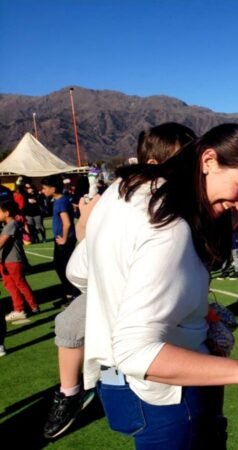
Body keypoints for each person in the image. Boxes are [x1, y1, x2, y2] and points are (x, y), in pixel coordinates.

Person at [66, 123, 238, 449]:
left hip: (118, 386)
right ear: (208, 161)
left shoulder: (120, 191)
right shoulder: (170, 226)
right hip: (169, 397)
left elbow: (78, 272)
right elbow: (136, 352)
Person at [43, 122, 198, 440]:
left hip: (142, 364)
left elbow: (78, 271)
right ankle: (69, 392)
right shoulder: (141, 204)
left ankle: (72, 390)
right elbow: (81, 270)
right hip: (153, 376)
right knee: (70, 325)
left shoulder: (123, 197)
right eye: (187, 161)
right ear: (155, 165)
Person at [40, 176, 81, 306]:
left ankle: (73, 295)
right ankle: (68, 294)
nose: (42, 190)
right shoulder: (58, 201)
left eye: (44, 188)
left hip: (65, 241)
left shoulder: (61, 202)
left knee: (64, 268)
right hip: (61, 240)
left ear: (53, 188)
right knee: (59, 266)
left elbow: (67, 223)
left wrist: (63, 238)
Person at [0, 201, 38, 321]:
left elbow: (2, 242)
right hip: (7, 261)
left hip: (13, 260)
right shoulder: (8, 225)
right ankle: (20, 308)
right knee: (11, 285)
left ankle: (31, 306)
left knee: (19, 283)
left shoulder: (11, 224)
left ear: (6, 213)